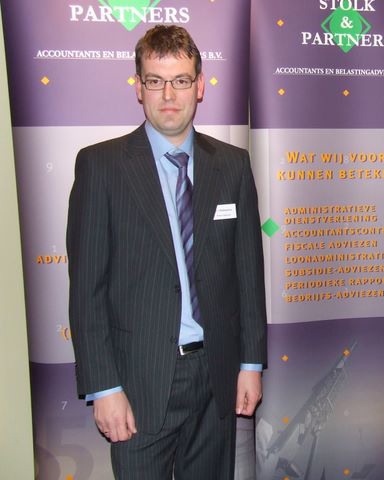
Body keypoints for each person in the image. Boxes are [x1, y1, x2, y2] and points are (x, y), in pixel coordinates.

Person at [67, 25, 267, 479]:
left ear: (200, 86)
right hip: (138, 384)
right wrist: (104, 387)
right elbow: (86, 293)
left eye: (180, 80)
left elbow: (248, 275)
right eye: (155, 81)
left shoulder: (232, 165)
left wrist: (251, 364)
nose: (169, 94)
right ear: (139, 87)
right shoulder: (101, 167)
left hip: (217, 376)